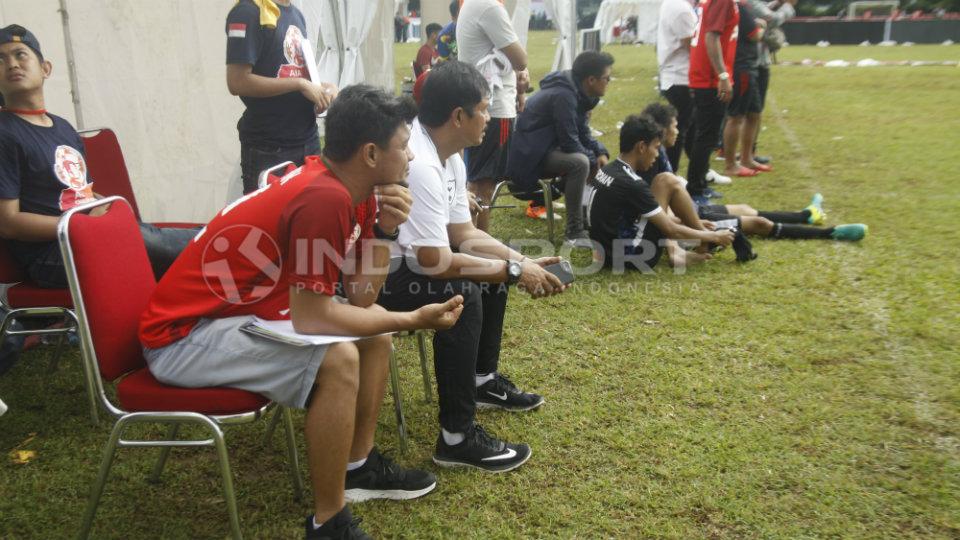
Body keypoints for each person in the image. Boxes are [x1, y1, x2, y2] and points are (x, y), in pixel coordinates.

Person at [139, 86, 464, 539]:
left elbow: (360, 295)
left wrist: (384, 230)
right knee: (340, 358)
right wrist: (413, 318)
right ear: (370, 153)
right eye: (404, 143)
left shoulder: (356, 188)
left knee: (373, 336)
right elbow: (314, 317)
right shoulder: (324, 198)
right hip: (182, 338)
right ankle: (328, 522)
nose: (410, 156)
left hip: (231, 317)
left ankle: (358, 466)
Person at [377, 62, 566, 473]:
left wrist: (518, 261)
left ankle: (481, 382)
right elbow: (434, 262)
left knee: (491, 268)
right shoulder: (423, 165)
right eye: (483, 109)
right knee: (464, 294)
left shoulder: (452, 157)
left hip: (412, 262)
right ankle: (456, 438)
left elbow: (463, 233)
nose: (490, 117)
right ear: (458, 116)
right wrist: (514, 273)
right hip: (378, 275)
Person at [0, 25, 196, 289]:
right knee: (168, 250)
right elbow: (9, 223)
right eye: (1, 60)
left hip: (91, 236)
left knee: (154, 243)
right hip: (51, 255)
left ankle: (222, 243)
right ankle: (223, 242)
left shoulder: (63, 128)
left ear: (45, 68)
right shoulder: (5, 132)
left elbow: (83, 194)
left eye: (20, 55)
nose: (11, 64)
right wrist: (81, 225)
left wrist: (104, 207)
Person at [643, 102, 868, 242]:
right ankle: (831, 233)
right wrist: (699, 230)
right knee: (760, 224)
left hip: (694, 211)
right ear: (662, 131)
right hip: (691, 218)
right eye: (674, 126)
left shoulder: (659, 152)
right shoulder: (650, 162)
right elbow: (661, 214)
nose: (678, 130)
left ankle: (807, 215)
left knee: (746, 209)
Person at [584, 115, 735, 272]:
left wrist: (683, 223)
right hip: (635, 257)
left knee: (663, 182)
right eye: (656, 148)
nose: (657, 155)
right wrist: (714, 237)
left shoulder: (609, 170)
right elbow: (671, 230)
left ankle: (684, 248)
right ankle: (703, 243)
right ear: (641, 147)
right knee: (667, 181)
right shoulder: (632, 183)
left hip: (604, 253)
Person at [226, 0, 339, 194]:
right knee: (269, 220)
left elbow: (295, 72)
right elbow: (237, 82)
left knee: (309, 215)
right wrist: (300, 84)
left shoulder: (296, 14)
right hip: (269, 147)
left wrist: (324, 89)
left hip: (307, 140)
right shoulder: (247, 11)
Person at [507, 51, 613, 243]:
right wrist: (592, 159)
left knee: (587, 159)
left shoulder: (576, 92)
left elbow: (582, 132)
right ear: (591, 80)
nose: (609, 82)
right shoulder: (564, 95)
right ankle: (574, 231)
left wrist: (600, 151)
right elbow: (570, 141)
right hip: (530, 157)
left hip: (544, 149)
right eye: (607, 78)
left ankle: (585, 217)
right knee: (580, 163)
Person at [457, 0, 530, 232]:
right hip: (495, 109)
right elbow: (520, 59)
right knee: (484, 185)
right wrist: (521, 69)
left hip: (480, 103)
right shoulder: (490, 7)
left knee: (477, 181)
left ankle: (473, 242)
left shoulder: (472, 4)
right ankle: (480, 244)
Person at [687, 0, 741, 206]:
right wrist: (723, 75)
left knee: (705, 134)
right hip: (709, 78)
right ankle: (695, 188)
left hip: (706, 76)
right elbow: (711, 36)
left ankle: (699, 183)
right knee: (707, 136)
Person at [720, 0, 767, 177]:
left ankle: (747, 158)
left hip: (748, 67)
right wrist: (762, 26)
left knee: (754, 114)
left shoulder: (739, 7)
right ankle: (730, 164)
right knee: (736, 117)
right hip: (742, 67)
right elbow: (754, 34)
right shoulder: (740, 7)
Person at [748, 0, 796, 163]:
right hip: (752, 62)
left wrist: (778, 3)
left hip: (757, 61)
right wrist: (788, 5)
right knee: (749, 113)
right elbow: (771, 18)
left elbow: (763, 11)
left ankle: (748, 152)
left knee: (751, 112)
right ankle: (743, 153)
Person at [656, 0, 698, 174]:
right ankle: (671, 174)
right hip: (681, 76)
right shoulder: (681, 8)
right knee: (678, 131)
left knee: (688, 127)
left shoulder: (672, 4)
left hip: (675, 75)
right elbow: (691, 44)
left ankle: (699, 170)